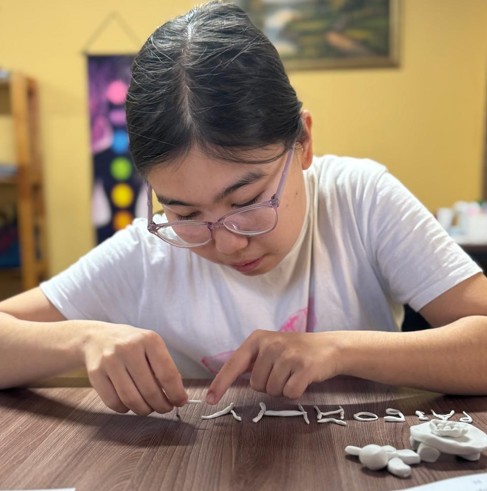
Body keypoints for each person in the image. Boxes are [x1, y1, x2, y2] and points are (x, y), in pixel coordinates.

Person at [1, 1, 487, 417]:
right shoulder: (147, 253)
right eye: (185, 214)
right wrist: (82, 340)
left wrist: (337, 349)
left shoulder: (359, 199)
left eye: (248, 201)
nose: (228, 243)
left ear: (303, 143)